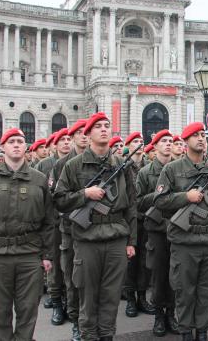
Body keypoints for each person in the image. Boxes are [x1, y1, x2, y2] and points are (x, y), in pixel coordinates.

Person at [53, 113, 137, 341]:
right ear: (88, 134)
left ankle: (107, 335)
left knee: (111, 296)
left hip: (116, 238)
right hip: (87, 240)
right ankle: (88, 335)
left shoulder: (121, 165)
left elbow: (131, 205)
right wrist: (84, 194)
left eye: (107, 126)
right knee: (88, 296)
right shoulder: (73, 165)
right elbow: (59, 199)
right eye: (98, 127)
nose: (103, 130)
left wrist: (131, 242)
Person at [0, 128, 54, 341]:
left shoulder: (39, 179)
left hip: (29, 254)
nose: (16, 144)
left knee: (28, 312)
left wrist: (47, 255)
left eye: (20, 141)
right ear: (2, 146)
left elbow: (49, 221)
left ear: (25, 147)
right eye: (11, 141)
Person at [153, 122, 208, 341]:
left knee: (207, 291)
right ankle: (186, 330)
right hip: (185, 241)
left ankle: (202, 330)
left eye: (203, 135)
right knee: (184, 290)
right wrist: (186, 196)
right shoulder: (172, 169)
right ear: (185, 141)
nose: (201, 138)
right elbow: (160, 201)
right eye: (195, 135)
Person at [136, 130, 180, 336]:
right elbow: (138, 202)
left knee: (175, 275)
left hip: (178, 229)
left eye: (171, 141)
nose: (169, 144)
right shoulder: (146, 172)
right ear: (154, 146)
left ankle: (172, 313)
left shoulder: (179, 170)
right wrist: (158, 196)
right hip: (156, 231)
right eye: (164, 141)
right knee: (158, 275)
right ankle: (159, 316)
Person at [51, 119, 89, 340]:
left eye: (87, 132)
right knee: (72, 279)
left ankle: (90, 319)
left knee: (90, 280)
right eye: (80, 133)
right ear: (73, 136)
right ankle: (75, 320)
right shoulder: (61, 164)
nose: (84, 136)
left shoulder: (102, 162)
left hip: (93, 232)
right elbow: (57, 200)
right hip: (69, 230)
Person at [36, 127, 72, 326]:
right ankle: (57, 301)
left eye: (69, 139)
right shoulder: (46, 165)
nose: (66, 143)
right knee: (55, 265)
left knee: (70, 265)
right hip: (53, 222)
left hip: (71, 222)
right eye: (62, 140)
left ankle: (68, 301)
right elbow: (45, 196)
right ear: (55, 144)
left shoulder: (75, 162)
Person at [123, 131, 155, 318]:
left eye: (141, 142)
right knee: (130, 262)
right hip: (129, 220)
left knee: (144, 261)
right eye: (135, 141)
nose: (139, 144)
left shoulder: (149, 167)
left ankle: (142, 297)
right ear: (129, 144)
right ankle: (130, 299)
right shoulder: (123, 167)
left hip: (146, 219)